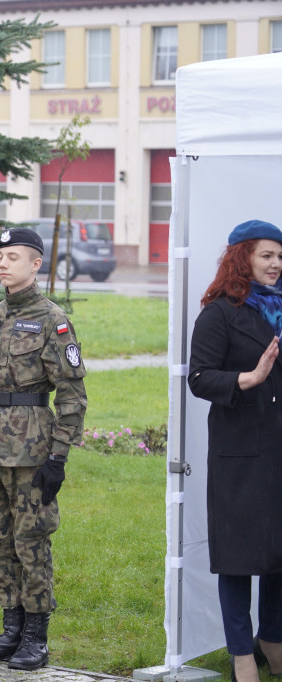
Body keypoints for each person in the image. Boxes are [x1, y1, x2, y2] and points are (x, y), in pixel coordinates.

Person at [0, 228, 87, 670]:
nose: (2, 263)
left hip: (32, 449)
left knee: (30, 541)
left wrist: (58, 457)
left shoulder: (53, 320)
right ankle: (11, 627)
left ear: (36, 264)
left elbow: (72, 395)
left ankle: (36, 635)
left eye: (13, 256)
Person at [188, 219, 282, 682]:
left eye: (280, 256)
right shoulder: (219, 313)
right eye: (267, 255)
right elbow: (200, 378)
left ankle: (274, 640)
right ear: (242, 257)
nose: (276, 263)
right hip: (240, 455)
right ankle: (242, 654)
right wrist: (249, 379)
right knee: (240, 558)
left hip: (280, 449)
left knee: (280, 555)